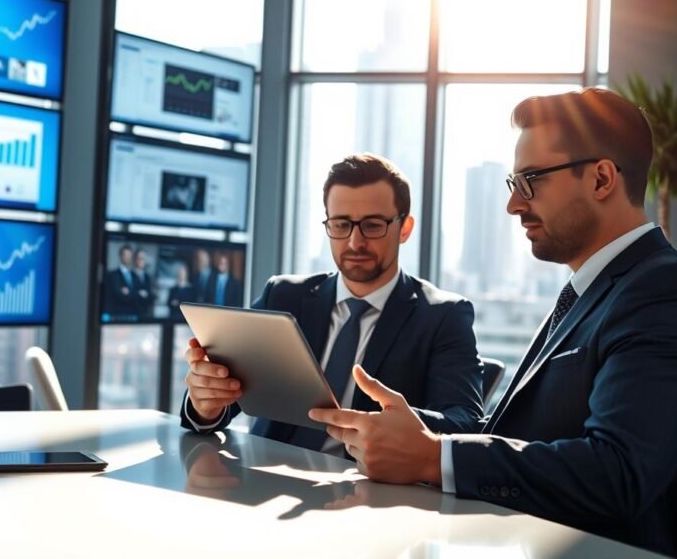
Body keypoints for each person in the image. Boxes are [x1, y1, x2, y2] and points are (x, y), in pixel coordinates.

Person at [309, 89, 677, 556]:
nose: (513, 205)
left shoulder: (668, 292)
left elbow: (617, 474)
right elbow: (520, 433)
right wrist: (406, 431)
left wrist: (433, 456)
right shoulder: (590, 290)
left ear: (602, 178)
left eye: (530, 181)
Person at [181, 153, 484, 456]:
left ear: (404, 229)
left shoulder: (443, 316)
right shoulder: (283, 296)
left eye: (373, 225)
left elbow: (465, 423)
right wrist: (206, 404)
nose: (354, 243)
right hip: (261, 476)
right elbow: (226, 396)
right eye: (341, 225)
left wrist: (403, 424)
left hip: (367, 489)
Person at [104, 245, 139, 317]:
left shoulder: (135, 276)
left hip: (133, 314)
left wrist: (130, 292)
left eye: (130, 255)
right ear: (121, 256)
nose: (128, 258)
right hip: (118, 314)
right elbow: (119, 295)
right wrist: (134, 293)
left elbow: (138, 294)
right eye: (126, 255)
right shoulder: (113, 275)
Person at [132, 248, 155, 319]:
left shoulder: (148, 277)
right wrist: (139, 293)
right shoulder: (129, 275)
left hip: (146, 315)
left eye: (143, 259)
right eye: (139, 258)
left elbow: (151, 295)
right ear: (135, 259)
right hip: (133, 313)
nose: (141, 261)